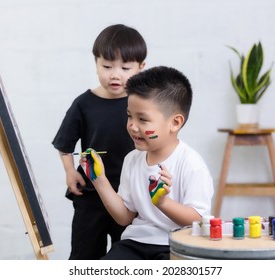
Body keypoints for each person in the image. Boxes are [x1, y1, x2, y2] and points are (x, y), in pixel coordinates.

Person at [82, 66, 214, 260]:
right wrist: (98, 179)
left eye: (143, 119)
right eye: (129, 116)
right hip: (134, 244)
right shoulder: (132, 159)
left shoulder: (191, 164)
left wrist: (162, 202)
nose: (132, 126)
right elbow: (124, 217)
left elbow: (198, 221)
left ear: (175, 123)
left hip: (174, 247)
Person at [52, 24, 147, 260]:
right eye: (107, 66)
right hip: (90, 195)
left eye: (125, 68)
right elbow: (64, 144)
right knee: (85, 255)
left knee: (127, 255)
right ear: (96, 63)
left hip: (129, 197)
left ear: (141, 68)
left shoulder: (143, 104)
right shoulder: (84, 103)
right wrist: (69, 172)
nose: (115, 74)